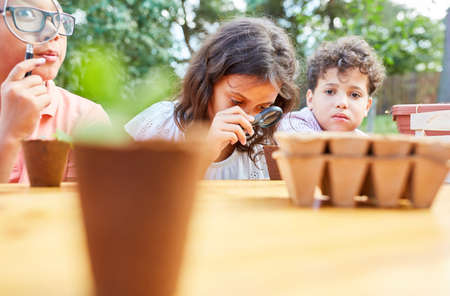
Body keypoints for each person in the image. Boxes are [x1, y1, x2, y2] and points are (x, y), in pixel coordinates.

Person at [125, 17, 299, 179]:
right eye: (237, 101)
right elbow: (121, 186)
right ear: (207, 82)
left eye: (262, 107)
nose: (248, 119)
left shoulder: (262, 145)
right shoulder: (161, 125)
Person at [0, 0, 110, 183]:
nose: (54, 32)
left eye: (58, 20)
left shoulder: (84, 118)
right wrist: (9, 137)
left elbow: (88, 207)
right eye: (27, 15)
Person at [279, 36, 386, 134]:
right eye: (330, 92)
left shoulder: (361, 140)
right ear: (311, 99)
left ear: (367, 106)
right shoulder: (293, 125)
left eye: (354, 95)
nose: (342, 103)